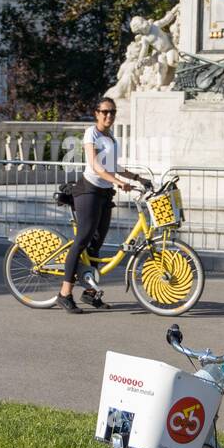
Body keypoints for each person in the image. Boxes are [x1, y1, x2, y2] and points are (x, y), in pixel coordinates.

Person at [57, 98, 148, 314]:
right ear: (96, 113)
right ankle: (64, 293)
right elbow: (96, 165)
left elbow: (112, 166)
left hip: (105, 193)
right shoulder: (92, 133)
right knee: (82, 240)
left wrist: (137, 178)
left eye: (112, 112)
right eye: (105, 112)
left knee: (96, 245)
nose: (109, 116)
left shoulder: (110, 137)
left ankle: (89, 293)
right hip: (89, 191)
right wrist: (118, 181)